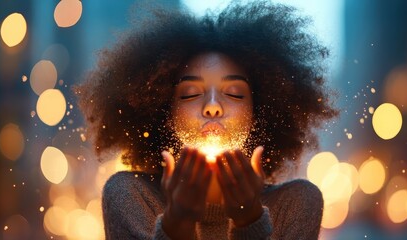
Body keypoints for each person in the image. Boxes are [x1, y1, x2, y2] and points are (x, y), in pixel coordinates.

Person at [75, 1, 337, 239]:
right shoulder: (130, 195)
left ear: (259, 113)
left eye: (234, 93)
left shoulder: (298, 202)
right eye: (190, 95)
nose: (212, 107)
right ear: (166, 114)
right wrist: (177, 225)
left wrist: (251, 222)